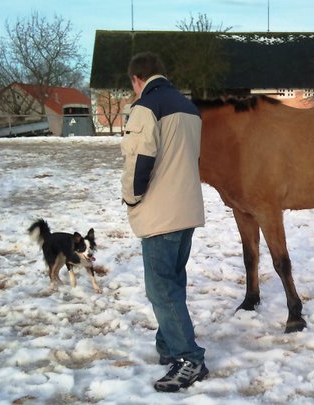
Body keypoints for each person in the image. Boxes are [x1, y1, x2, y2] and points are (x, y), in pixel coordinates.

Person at [120, 52, 208, 392]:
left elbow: (139, 159)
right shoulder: (189, 108)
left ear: (137, 79)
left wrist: (131, 197)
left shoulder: (146, 106)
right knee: (172, 281)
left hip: (161, 213)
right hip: (186, 209)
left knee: (161, 289)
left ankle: (189, 359)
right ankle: (169, 346)